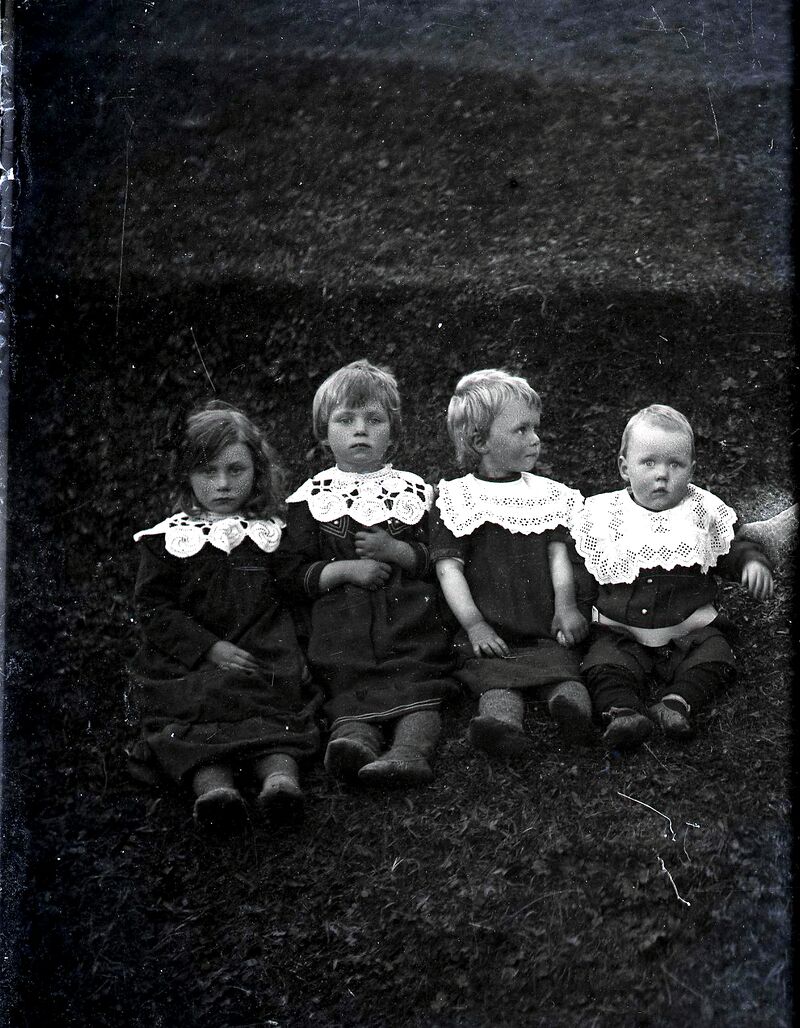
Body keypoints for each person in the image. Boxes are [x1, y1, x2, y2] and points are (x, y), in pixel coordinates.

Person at [128, 401, 321, 828]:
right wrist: (209, 648)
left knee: (276, 715)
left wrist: (302, 648)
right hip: (195, 661)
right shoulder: (168, 540)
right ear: (187, 475)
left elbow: (294, 595)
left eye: (236, 470)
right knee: (193, 716)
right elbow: (154, 609)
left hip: (262, 652)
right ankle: (215, 792)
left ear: (257, 470)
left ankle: (280, 783)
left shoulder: (272, 532)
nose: (222, 484)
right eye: (208, 472)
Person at [277, 360, 457, 787]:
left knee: (418, 685)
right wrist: (344, 570)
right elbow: (290, 574)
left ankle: (410, 752)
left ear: (392, 433)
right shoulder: (309, 500)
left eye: (374, 420)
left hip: (409, 618)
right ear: (325, 434)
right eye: (346, 420)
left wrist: (397, 550)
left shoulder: (415, 491)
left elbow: (437, 559)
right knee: (348, 686)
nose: (361, 430)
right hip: (345, 627)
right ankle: (354, 740)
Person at [572, 404, 774, 749]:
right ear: (624, 467)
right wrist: (573, 611)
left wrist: (750, 563)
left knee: (717, 653)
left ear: (691, 470)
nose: (662, 475)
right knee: (602, 662)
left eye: (675, 464)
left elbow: (729, 546)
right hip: (622, 630)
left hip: (688, 628)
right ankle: (622, 711)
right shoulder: (604, 515)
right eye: (649, 463)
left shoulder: (701, 510)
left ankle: (677, 702)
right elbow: (586, 566)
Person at [430, 369, 594, 757]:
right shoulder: (457, 499)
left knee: (563, 667)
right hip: (492, 625)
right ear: (480, 441)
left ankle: (574, 713)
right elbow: (448, 568)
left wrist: (566, 606)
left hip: (542, 623)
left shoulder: (547, 495)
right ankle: (501, 725)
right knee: (494, 677)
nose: (535, 439)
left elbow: (557, 553)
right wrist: (474, 624)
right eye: (521, 430)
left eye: (535, 428)